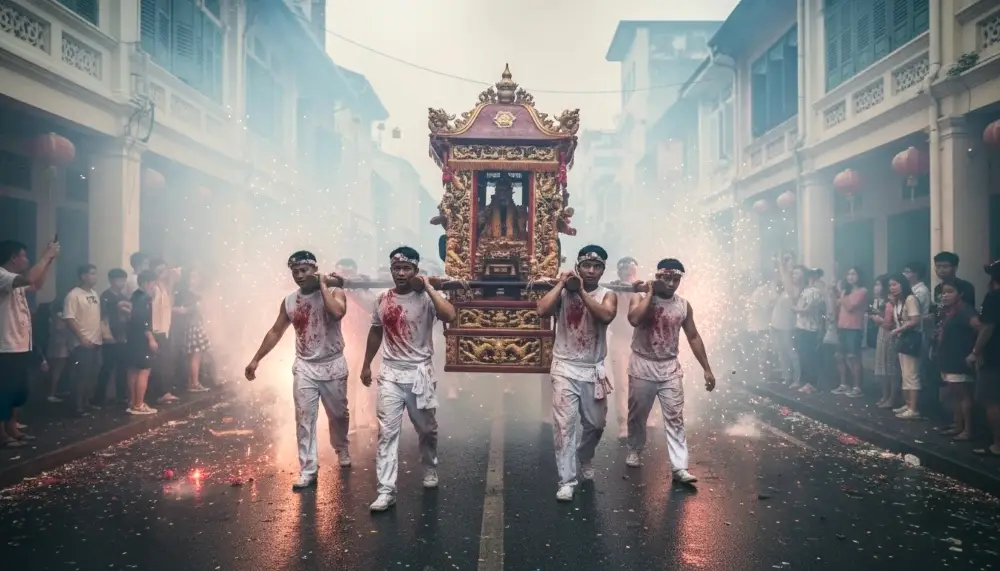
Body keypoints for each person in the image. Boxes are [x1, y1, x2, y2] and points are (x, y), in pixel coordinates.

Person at [245, 251, 353, 490]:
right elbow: (275, 331)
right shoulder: (289, 301)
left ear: (314, 270)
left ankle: (341, 446)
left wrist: (323, 285)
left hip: (333, 363)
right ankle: (308, 469)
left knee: (338, 415)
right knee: (304, 419)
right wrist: (256, 359)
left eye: (305, 271)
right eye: (296, 271)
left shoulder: (335, 291)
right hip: (305, 366)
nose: (300, 275)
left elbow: (337, 313)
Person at [361, 247, 456, 512]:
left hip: (419, 374)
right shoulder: (382, 299)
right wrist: (366, 364)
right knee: (387, 434)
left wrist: (427, 287)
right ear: (391, 270)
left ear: (415, 271)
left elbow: (449, 315)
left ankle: (429, 467)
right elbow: (375, 333)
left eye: (406, 269)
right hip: (390, 374)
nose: (401, 273)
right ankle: (386, 491)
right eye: (397, 269)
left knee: (426, 429)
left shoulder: (426, 299)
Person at [536, 245, 618, 502]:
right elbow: (541, 310)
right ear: (578, 267)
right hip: (564, 367)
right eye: (586, 266)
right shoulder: (563, 292)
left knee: (596, 425)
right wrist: (562, 284)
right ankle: (567, 481)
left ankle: (585, 455)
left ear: (603, 270)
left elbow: (605, 316)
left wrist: (580, 290)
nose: (591, 271)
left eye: (596, 267)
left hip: (593, 369)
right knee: (564, 426)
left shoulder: (608, 294)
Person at [623, 259, 715, 484]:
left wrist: (707, 369)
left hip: (669, 367)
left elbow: (693, 336)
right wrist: (650, 293)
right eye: (667, 278)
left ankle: (680, 467)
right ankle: (635, 448)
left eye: (676, 279)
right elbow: (634, 319)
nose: (672, 284)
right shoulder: (641, 297)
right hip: (642, 363)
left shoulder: (683, 305)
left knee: (675, 417)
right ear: (657, 277)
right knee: (638, 414)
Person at [0, 239, 58, 448]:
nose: (26, 259)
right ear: (14, 258)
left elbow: (36, 284)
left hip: (20, 343)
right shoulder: (2, 276)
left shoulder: (16, 280)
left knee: (18, 391)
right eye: (23, 256)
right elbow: (29, 278)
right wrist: (45, 255)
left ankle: (13, 428)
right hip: (5, 345)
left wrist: (49, 261)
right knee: (4, 392)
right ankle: (2, 435)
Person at [933, 282, 979, 440]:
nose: (944, 295)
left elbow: (980, 327)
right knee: (955, 395)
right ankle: (958, 425)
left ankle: (967, 430)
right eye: (943, 293)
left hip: (959, 359)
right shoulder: (950, 311)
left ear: (961, 293)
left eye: (949, 292)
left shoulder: (964, 309)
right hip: (949, 359)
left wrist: (974, 351)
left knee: (963, 395)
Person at [63, 264, 104, 415]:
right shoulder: (74, 295)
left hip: (96, 340)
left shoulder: (94, 293)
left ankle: (86, 402)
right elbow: (69, 318)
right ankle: (77, 406)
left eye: (96, 273)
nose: (95, 277)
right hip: (82, 342)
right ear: (83, 276)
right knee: (81, 375)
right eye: (91, 274)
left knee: (93, 373)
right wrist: (81, 337)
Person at [608, 256, 642, 438]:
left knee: (643, 383)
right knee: (621, 383)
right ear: (619, 272)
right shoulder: (613, 289)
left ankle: (645, 417)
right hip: (620, 340)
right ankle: (624, 424)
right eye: (625, 271)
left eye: (632, 271)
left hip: (640, 341)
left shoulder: (643, 290)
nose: (629, 274)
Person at [969, 260, 1000, 457]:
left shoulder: (993, 297)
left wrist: (975, 351)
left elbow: (987, 327)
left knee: (991, 400)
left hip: (994, 356)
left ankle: (997, 444)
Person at [95, 268, 131, 406]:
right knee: (107, 367)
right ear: (111, 280)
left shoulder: (124, 297)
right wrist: (106, 335)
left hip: (123, 337)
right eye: (119, 279)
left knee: (122, 368)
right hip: (110, 338)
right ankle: (98, 398)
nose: (122, 282)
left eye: (124, 279)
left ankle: (121, 396)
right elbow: (103, 318)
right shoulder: (105, 296)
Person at [125, 270, 159, 415]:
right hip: (141, 339)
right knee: (144, 371)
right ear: (146, 283)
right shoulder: (143, 299)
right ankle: (139, 404)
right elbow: (143, 321)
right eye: (153, 283)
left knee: (133, 370)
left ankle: (132, 403)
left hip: (133, 338)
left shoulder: (135, 296)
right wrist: (151, 339)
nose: (154, 287)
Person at [888, 274, 922, 419]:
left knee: (911, 374)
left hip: (911, 338)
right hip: (902, 339)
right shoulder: (898, 301)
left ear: (903, 284)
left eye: (895, 284)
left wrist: (898, 330)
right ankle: (908, 404)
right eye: (890, 285)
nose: (892, 288)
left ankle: (913, 408)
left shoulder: (910, 299)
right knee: (905, 374)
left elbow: (915, 320)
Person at [832, 267, 868, 398]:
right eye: (848, 274)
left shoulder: (862, 291)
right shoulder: (845, 292)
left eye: (853, 274)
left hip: (854, 328)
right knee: (839, 356)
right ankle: (843, 384)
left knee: (853, 357)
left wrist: (841, 296)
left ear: (859, 276)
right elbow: (838, 306)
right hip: (842, 326)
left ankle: (857, 386)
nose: (850, 277)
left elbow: (850, 306)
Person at [791, 267, 824, 394]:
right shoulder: (804, 291)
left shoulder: (814, 291)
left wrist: (795, 309)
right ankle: (804, 381)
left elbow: (807, 309)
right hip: (801, 326)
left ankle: (811, 383)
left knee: (809, 356)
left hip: (810, 328)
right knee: (802, 356)